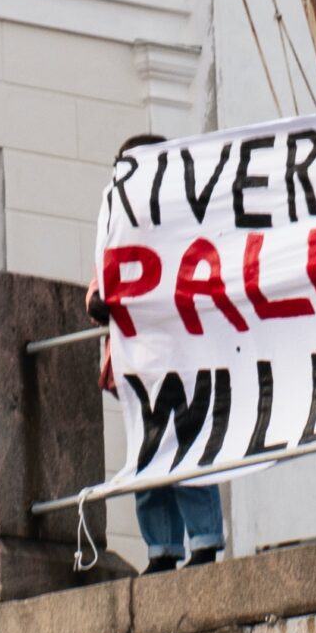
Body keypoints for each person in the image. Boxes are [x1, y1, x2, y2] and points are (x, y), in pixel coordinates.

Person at [90, 133, 227, 572]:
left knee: (187, 444)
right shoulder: (115, 217)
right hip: (139, 360)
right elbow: (103, 274)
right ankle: (162, 548)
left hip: (181, 352)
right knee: (148, 452)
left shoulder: (185, 213)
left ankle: (203, 539)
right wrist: (98, 298)